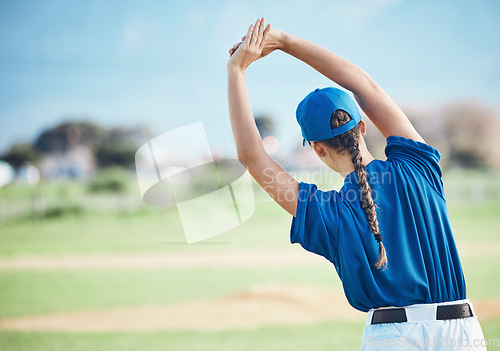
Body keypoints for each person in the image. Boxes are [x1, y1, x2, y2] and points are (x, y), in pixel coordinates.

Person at [227, 18, 486, 350]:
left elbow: (252, 156)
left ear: (317, 149)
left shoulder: (329, 212)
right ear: (363, 127)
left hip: (392, 339)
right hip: (460, 332)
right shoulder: (418, 166)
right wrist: (284, 41)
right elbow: (365, 85)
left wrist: (237, 71)